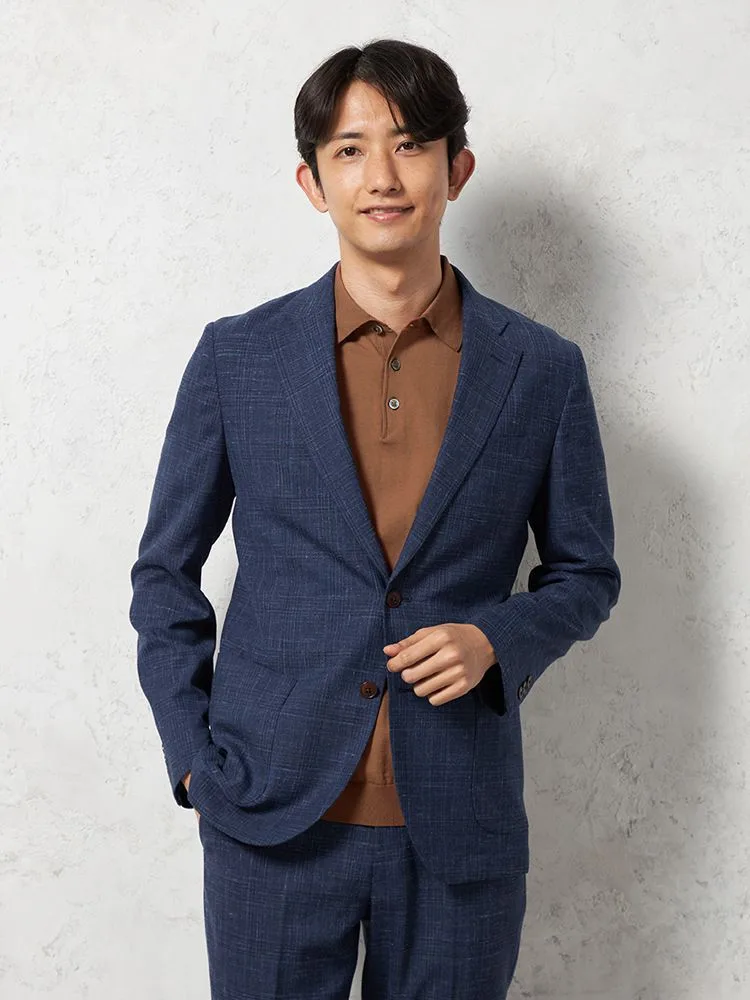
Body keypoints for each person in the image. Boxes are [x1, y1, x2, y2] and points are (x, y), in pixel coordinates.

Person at [129, 37, 621, 1000]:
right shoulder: (238, 358)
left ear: (456, 169)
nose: (383, 176)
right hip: (269, 814)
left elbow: (586, 575)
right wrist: (192, 759)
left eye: (409, 144)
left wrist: (496, 638)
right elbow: (163, 575)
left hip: (460, 827)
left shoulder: (542, 371)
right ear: (313, 183)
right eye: (350, 150)